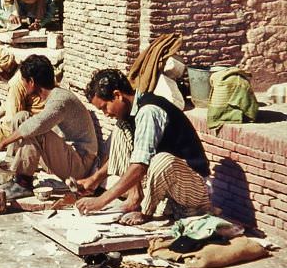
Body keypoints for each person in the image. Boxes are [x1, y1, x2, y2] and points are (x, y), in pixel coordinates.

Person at [75, 69, 212, 225]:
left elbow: (140, 165)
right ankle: (134, 197)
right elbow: (131, 154)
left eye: (105, 107)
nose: (105, 114)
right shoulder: (130, 115)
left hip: (192, 190)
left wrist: (101, 201)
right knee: (121, 130)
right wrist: (94, 179)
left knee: (162, 160)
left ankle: (146, 211)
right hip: (168, 185)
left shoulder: (148, 111)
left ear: (117, 95)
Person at [0, 55, 98, 199]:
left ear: (32, 82)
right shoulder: (53, 97)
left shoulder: (60, 99)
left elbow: (37, 125)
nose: (22, 84)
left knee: (35, 130)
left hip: (80, 165)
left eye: (23, 80)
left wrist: (2, 143)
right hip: (66, 157)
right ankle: (14, 175)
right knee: (21, 116)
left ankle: (24, 184)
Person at [0, 69, 46, 150]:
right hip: (31, 125)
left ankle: (18, 147)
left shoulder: (16, 85)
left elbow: (12, 123)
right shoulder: (20, 78)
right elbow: (9, 101)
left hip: (25, 130)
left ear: (3, 72)